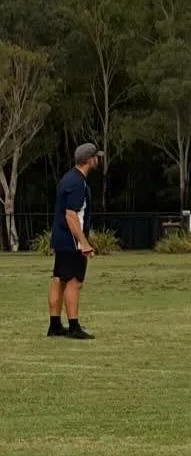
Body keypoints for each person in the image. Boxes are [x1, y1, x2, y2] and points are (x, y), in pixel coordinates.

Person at [48, 141, 102, 339]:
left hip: (61, 238)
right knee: (73, 281)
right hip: (71, 240)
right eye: (96, 157)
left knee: (58, 280)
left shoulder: (68, 178)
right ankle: (73, 326)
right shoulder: (77, 182)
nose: (98, 160)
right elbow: (72, 216)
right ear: (89, 160)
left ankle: (54, 325)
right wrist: (84, 243)